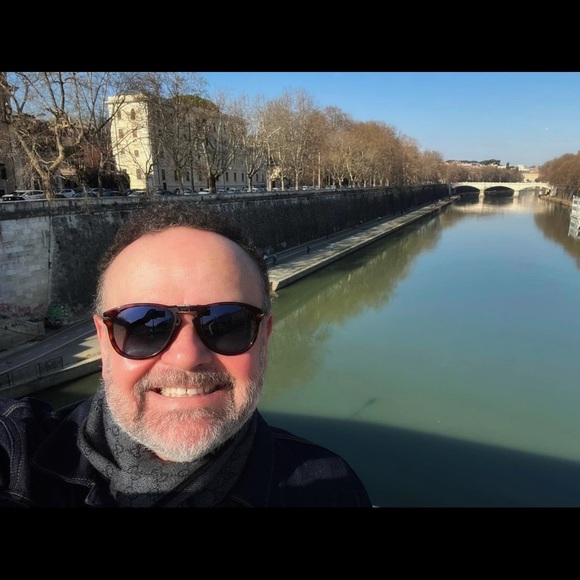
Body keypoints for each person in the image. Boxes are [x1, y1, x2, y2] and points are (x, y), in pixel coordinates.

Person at [0, 201, 373, 508]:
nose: (186, 356)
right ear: (103, 338)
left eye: (227, 324)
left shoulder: (332, 490)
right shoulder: (16, 452)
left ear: (265, 336)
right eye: (144, 325)